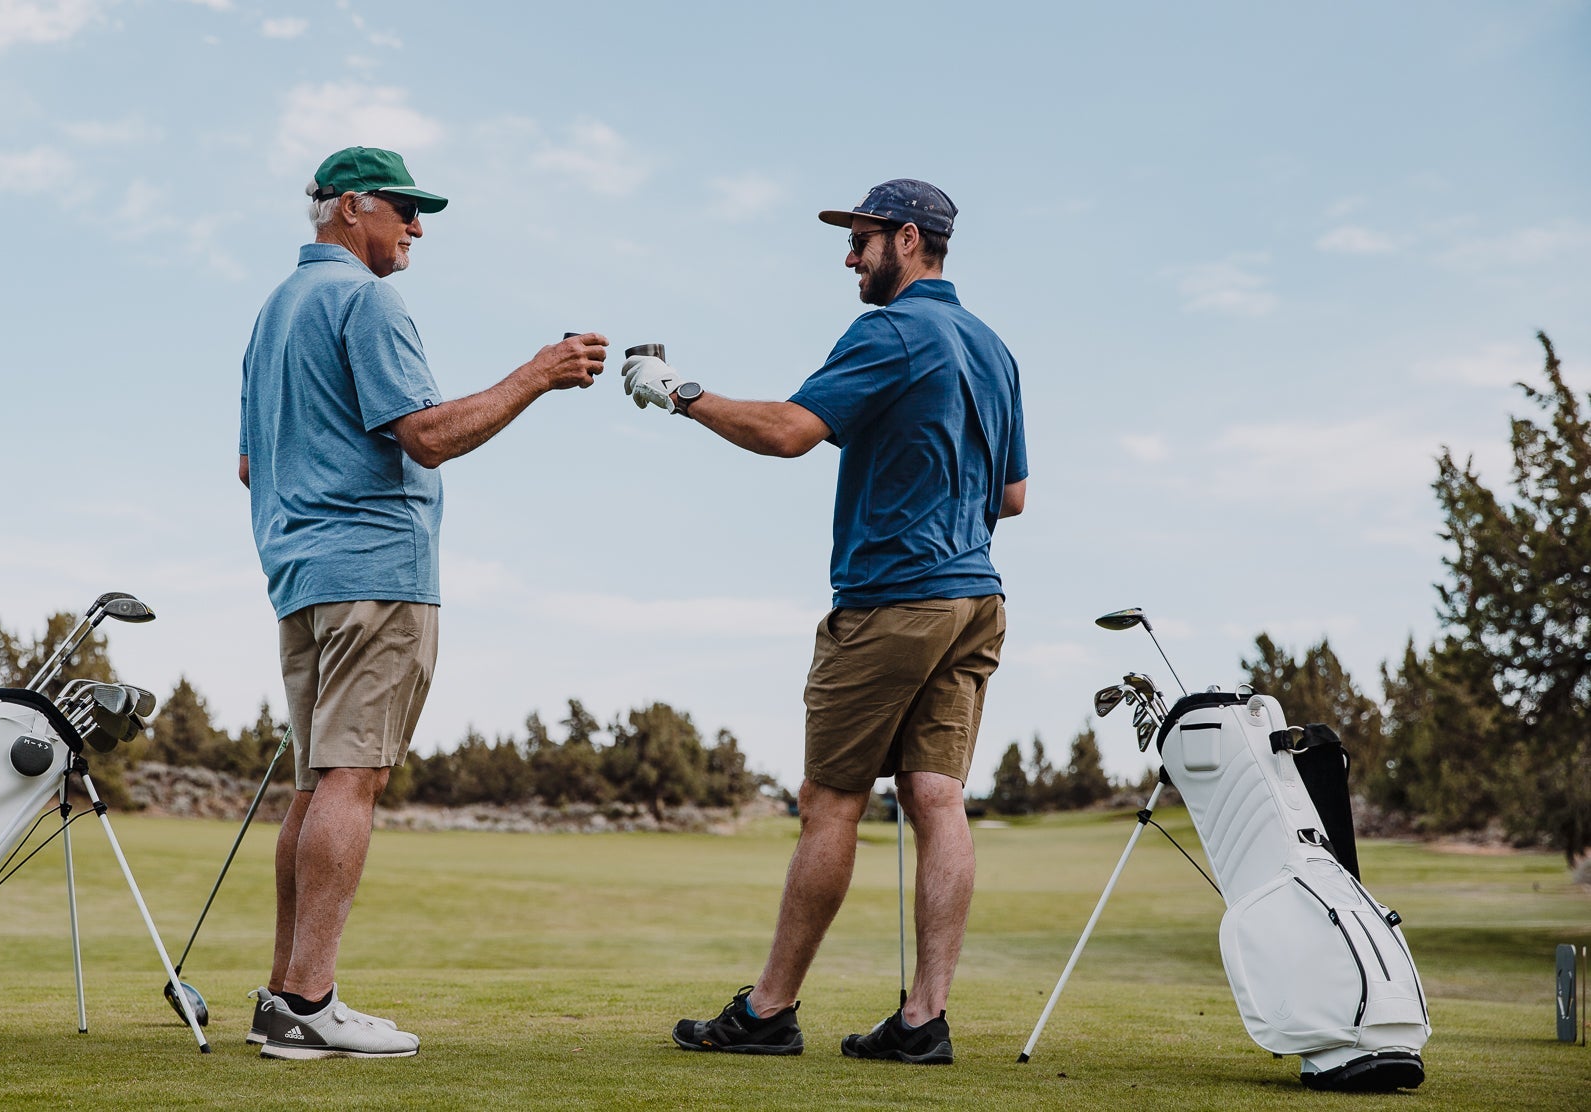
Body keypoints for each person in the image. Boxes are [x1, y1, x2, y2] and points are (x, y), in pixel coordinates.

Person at [632, 179, 1027, 1064]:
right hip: (976, 597)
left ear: (908, 240)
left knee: (829, 801)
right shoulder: (992, 348)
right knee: (937, 798)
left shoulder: (889, 331)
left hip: (893, 596)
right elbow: (1011, 495)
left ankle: (767, 1011)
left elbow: (786, 431)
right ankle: (923, 1022)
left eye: (862, 240)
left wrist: (678, 392)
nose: (849, 257)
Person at [237, 146, 607, 1059]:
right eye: (401, 208)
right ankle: (309, 1004)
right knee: (352, 778)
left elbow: (250, 464)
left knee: (317, 783)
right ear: (348, 208)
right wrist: (538, 373)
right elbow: (429, 437)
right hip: (375, 570)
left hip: (300, 575)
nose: (415, 227)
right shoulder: (366, 300)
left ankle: (283, 996)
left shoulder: (275, 310)